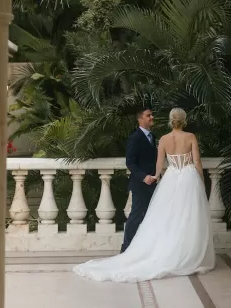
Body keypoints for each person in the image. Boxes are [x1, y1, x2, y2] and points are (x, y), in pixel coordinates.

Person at [73, 107, 215, 282]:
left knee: (168, 216)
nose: (152, 117)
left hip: (170, 178)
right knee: (186, 216)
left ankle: (168, 251)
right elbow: (197, 160)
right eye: (149, 115)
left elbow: (159, 162)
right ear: (184, 120)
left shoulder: (162, 139)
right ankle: (186, 253)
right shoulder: (190, 137)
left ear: (171, 120)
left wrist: (156, 176)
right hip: (188, 177)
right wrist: (200, 178)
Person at [121, 106, 158, 253]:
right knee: (136, 215)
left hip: (154, 183)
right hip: (140, 184)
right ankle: (126, 248)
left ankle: (145, 247)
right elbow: (130, 162)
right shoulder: (135, 138)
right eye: (148, 115)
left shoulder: (152, 137)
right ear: (140, 119)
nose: (152, 118)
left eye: (152, 115)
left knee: (152, 215)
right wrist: (144, 177)